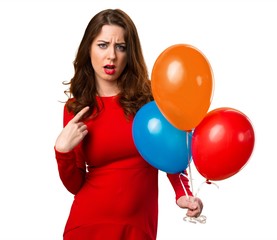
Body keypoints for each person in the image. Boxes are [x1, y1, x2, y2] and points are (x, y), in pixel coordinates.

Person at [54, 8, 203, 240]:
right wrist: (62, 151)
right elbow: (75, 185)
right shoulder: (76, 107)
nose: (111, 56)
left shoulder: (151, 101)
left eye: (120, 47)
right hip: (86, 226)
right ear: (88, 49)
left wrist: (183, 194)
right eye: (102, 45)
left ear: (129, 53)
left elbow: (173, 155)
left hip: (137, 228)